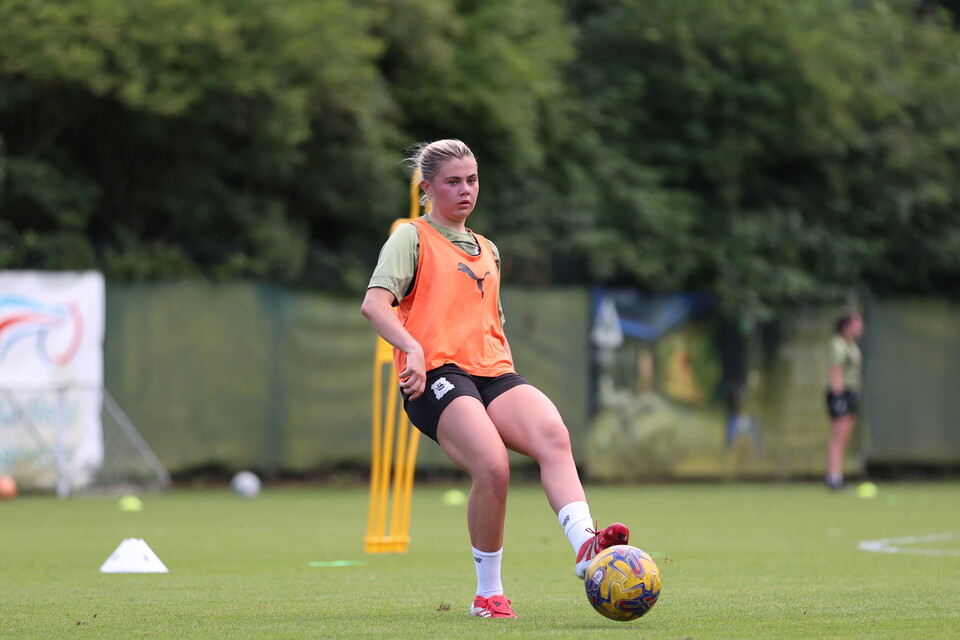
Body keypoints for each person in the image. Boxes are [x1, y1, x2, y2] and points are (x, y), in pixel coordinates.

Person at [360, 139, 629, 619]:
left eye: (472, 180)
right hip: (436, 374)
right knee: (493, 466)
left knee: (553, 433)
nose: (466, 190)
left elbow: (489, 325)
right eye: (453, 182)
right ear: (428, 188)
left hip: (491, 370)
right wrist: (412, 350)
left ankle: (587, 548)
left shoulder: (488, 249)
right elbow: (375, 305)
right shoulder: (411, 236)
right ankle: (488, 594)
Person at [825, 311, 864, 491]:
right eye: (856, 324)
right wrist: (838, 395)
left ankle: (837, 475)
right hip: (841, 393)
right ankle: (833, 478)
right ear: (846, 326)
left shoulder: (852, 345)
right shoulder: (838, 344)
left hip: (852, 392)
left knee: (844, 438)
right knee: (838, 437)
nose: (860, 327)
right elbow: (835, 370)